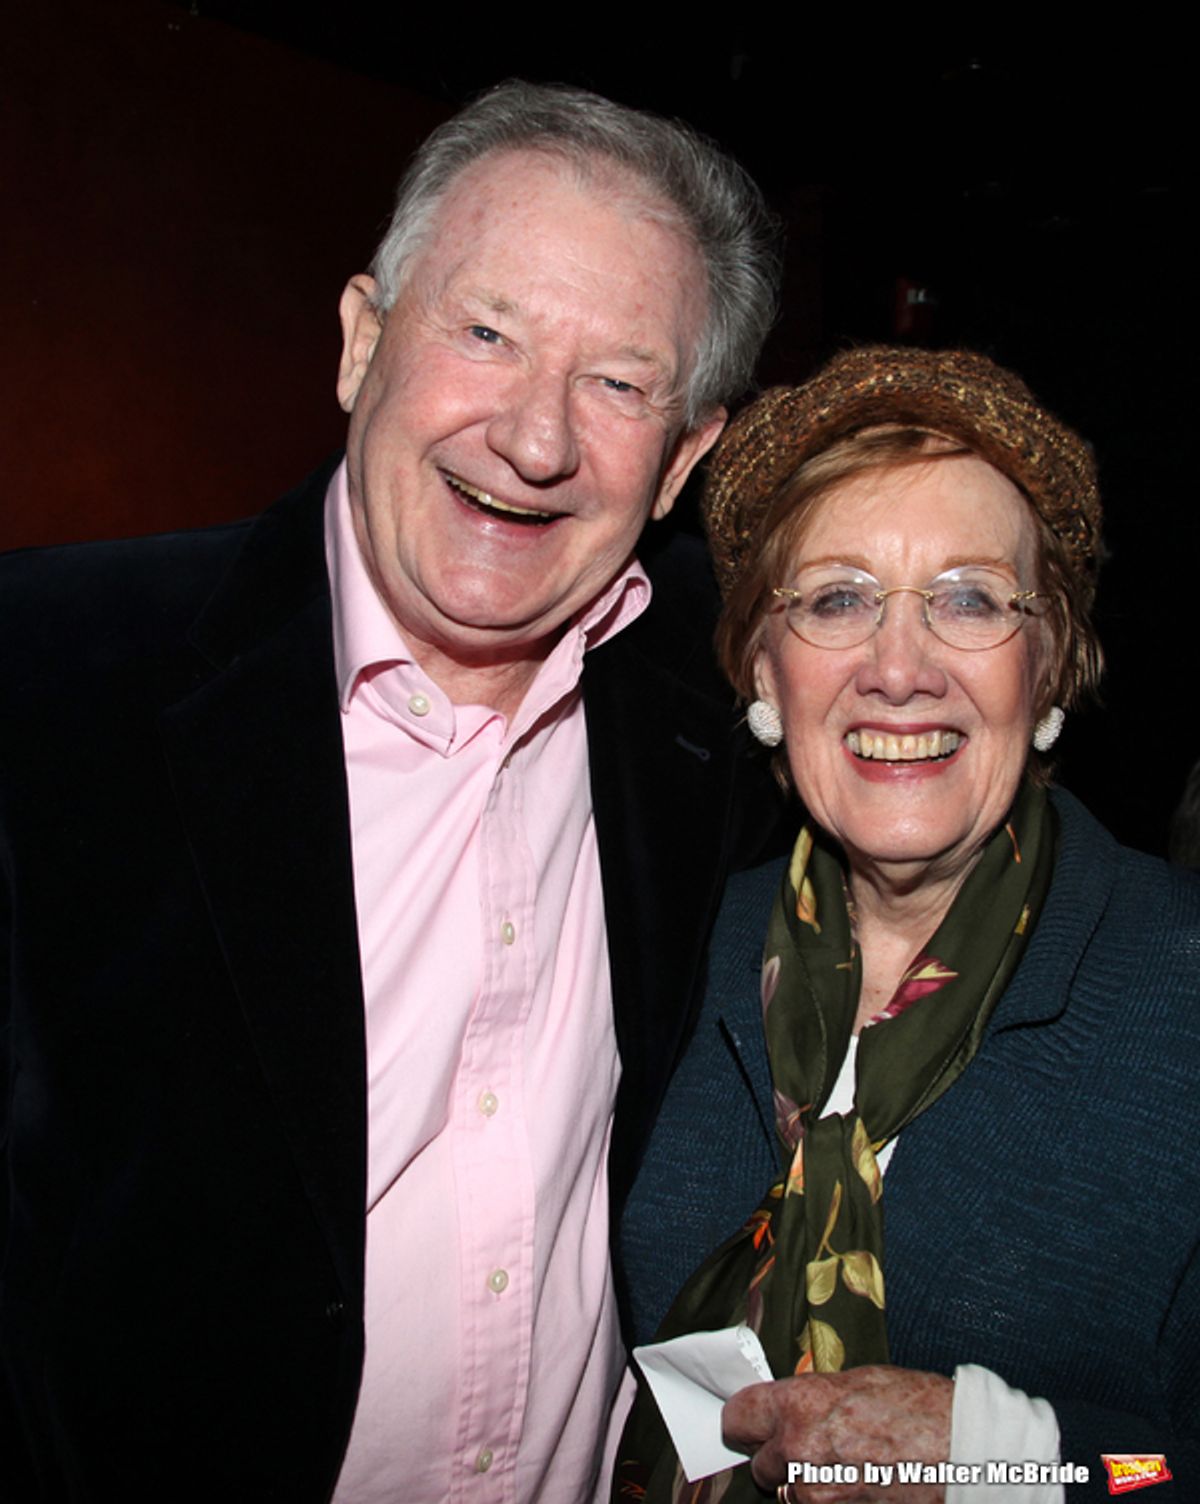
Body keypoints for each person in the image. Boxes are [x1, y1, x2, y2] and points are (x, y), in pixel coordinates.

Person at [0, 82, 783, 1502]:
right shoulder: (47, 690)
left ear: (681, 460)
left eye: (618, 382)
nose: (537, 440)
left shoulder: (724, 730)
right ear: (362, 340)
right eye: (487, 332)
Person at [615, 347, 1199, 1502]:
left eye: (970, 598)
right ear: (764, 677)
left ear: (1047, 675)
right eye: (837, 598)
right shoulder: (665, 955)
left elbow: (1167, 1471)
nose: (899, 665)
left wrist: (1018, 1458)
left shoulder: (1178, 995)